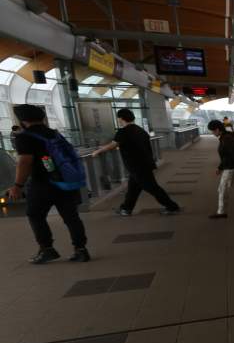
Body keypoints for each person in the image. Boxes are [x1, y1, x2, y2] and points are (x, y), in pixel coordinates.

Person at [5, 104, 89, 263]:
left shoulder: (24, 137)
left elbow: (24, 162)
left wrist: (17, 185)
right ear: (42, 117)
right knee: (71, 217)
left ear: (22, 120)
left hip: (41, 183)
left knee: (35, 215)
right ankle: (81, 250)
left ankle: (47, 249)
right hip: (64, 182)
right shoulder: (54, 134)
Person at [91, 108, 181, 216]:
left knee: (153, 188)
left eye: (118, 118)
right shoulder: (140, 130)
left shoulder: (123, 132)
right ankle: (126, 208)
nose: (118, 120)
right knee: (133, 189)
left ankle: (172, 207)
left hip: (136, 166)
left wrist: (98, 151)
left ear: (121, 118)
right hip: (144, 164)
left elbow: (113, 144)